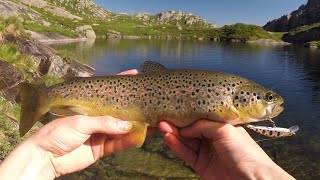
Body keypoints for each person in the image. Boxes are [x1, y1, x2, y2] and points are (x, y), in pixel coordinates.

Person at [0, 70, 295, 180]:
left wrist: (42, 159)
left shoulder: (230, 95)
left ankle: (44, 99)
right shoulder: (228, 98)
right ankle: (43, 99)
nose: (272, 103)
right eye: (268, 98)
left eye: (268, 98)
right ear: (242, 98)